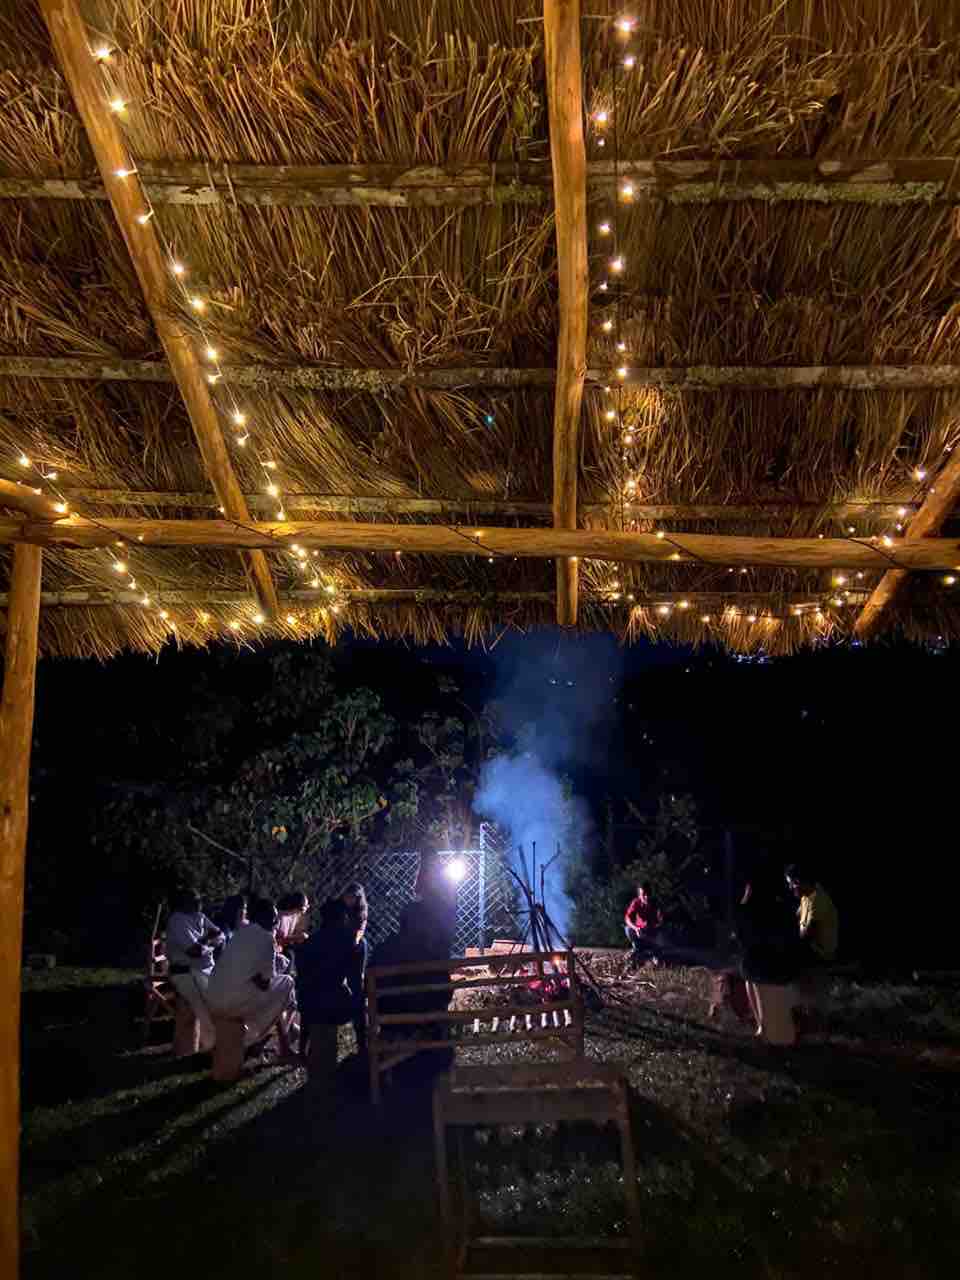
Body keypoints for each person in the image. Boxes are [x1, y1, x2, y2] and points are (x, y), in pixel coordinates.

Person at [207, 897, 296, 1056]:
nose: (276, 922)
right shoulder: (267, 938)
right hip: (230, 1003)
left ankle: (280, 1042)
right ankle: (255, 1040)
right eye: (273, 917)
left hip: (212, 995)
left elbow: (244, 968)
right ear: (262, 918)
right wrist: (272, 970)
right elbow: (264, 985)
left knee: (278, 991)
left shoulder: (241, 931)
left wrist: (258, 973)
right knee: (287, 983)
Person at [736, 868, 802, 1047]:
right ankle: (767, 1025)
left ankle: (762, 1026)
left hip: (765, 967)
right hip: (783, 965)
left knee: (748, 969)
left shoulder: (747, 910)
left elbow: (742, 939)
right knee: (750, 968)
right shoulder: (781, 907)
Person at [295, 898, 361, 1071]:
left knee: (311, 992)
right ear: (342, 918)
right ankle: (363, 1046)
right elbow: (354, 981)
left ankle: (302, 1051)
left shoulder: (308, 943)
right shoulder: (347, 941)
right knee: (355, 996)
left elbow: (302, 981)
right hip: (334, 1006)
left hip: (308, 1005)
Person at [165, 889, 223, 1054]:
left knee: (219, 1000)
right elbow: (194, 951)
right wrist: (208, 941)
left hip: (204, 969)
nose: (200, 903)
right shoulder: (177, 920)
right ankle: (212, 1046)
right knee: (204, 1006)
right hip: (185, 972)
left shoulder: (199, 916)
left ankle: (215, 1044)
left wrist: (205, 943)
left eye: (199, 900)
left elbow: (220, 936)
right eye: (196, 900)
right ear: (185, 903)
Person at [786, 864, 839, 1025]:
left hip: (820, 954)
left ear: (799, 881)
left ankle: (798, 1011)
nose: (790, 888)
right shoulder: (807, 896)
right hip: (811, 950)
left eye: (791, 883)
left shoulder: (818, 901)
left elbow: (805, 937)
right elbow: (794, 922)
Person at [341, 883, 369, 1054]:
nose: (349, 900)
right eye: (348, 896)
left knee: (357, 990)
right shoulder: (339, 909)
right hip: (340, 947)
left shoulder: (361, 911)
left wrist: (354, 941)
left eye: (353, 897)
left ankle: (362, 1041)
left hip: (355, 948)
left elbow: (359, 933)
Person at [624, 883, 663, 967]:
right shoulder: (636, 902)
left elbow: (661, 920)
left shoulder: (656, 903)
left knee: (660, 937)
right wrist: (636, 928)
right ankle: (638, 949)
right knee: (628, 929)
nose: (646, 897)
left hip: (652, 933)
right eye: (644, 895)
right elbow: (627, 918)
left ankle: (653, 952)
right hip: (640, 931)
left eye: (648, 894)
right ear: (639, 895)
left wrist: (654, 928)